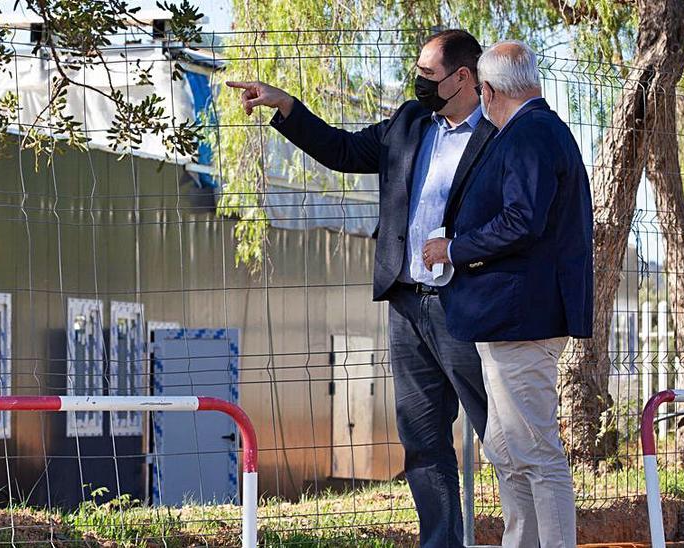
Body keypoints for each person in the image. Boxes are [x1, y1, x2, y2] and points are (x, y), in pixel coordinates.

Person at [228, 29, 494, 548]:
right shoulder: (410, 123)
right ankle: (440, 541)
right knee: (422, 440)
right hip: (408, 305)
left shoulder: (499, 133)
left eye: (428, 74)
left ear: (463, 77)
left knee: (500, 435)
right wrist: (285, 106)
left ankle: (529, 534)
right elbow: (342, 150)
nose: (417, 82)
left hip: (470, 306)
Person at [423, 39, 593, 548]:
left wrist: (454, 248)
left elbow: (522, 221)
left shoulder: (529, 134)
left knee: (535, 452)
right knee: (505, 447)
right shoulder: (538, 131)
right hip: (511, 321)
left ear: (490, 90)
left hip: (523, 321)